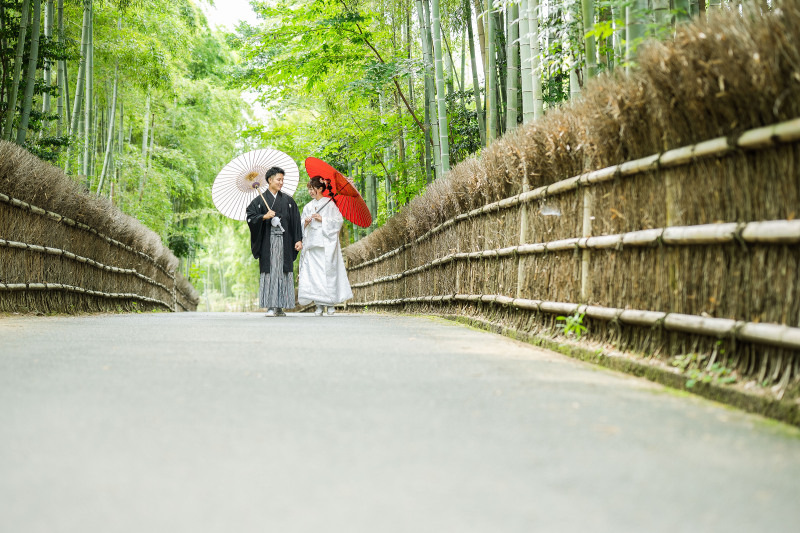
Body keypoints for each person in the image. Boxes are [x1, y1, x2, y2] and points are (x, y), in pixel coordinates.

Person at [245, 166, 303, 317]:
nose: (281, 182)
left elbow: (296, 221)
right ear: (269, 180)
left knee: (283, 271)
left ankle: (280, 307)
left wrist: (298, 239)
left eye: (283, 179)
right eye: (279, 179)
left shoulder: (289, 201)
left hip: (285, 241)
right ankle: (271, 306)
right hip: (267, 242)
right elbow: (250, 218)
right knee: (271, 271)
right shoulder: (258, 201)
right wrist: (264, 216)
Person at [297, 176, 353, 316]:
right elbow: (300, 224)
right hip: (312, 244)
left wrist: (323, 219)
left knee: (327, 273)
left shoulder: (330, 204)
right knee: (315, 275)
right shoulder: (308, 207)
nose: (310, 191)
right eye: (309, 188)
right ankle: (319, 305)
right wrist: (306, 222)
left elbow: (338, 221)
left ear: (321, 188)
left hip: (325, 244)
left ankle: (330, 304)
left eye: (312, 188)